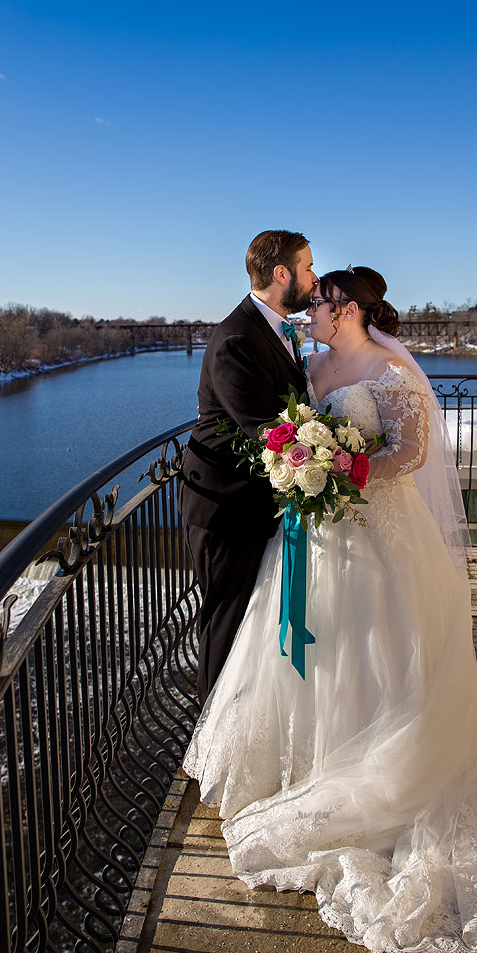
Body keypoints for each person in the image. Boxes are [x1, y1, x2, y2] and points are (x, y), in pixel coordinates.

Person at [183, 266, 477, 953]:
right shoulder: (313, 365)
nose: (307, 311)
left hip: (377, 533)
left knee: (375, 650)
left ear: (346, 308)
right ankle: (302, 764)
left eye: (317, 303)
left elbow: (408, 452)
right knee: (312, 647)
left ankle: (376, 768)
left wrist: (342, 470)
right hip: (316, 535)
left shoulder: (390, 369)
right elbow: (284, 428)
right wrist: (301, 461)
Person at [178, 230, 318, 705]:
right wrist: (333, 459)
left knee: (247, 623)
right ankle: (208, 750)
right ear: (283, 275)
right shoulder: (236, 338)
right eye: (308, 268)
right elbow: (267, 428)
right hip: (225, 507)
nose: (314, 278)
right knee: (225, 623)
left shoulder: (276, 329)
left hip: (255, 506)